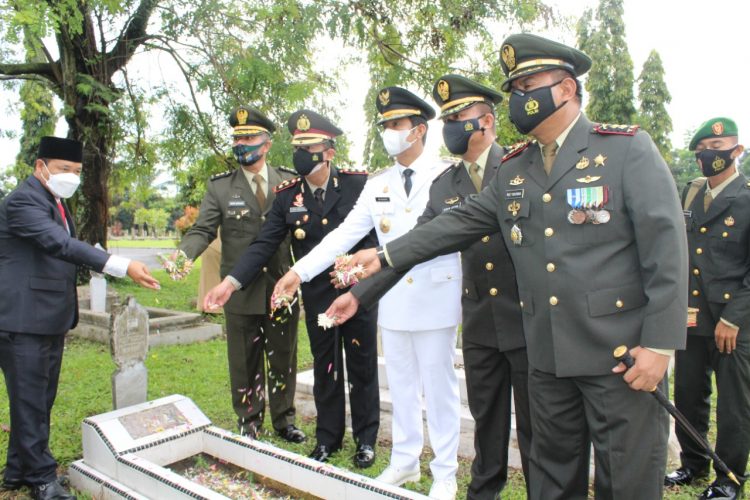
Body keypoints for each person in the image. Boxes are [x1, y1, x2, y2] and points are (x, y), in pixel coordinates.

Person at [329, 33, 688, 500]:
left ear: (565, 89)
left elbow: (667, 251)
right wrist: (381, 255)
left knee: (627, 480)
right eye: (514, 88)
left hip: (617, 357)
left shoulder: (625, 150)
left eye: (527, 85)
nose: (519, 97)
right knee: (553, 478)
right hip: (547, 357)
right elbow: (456, 224)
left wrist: (659, 345)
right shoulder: (516, 169)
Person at [345, 75, 531, 499]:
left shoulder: (520, 167)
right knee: (487, 419)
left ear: (486, 121)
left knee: (536, 425)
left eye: (457, 117)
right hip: (480, 317)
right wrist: (360, 292)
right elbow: (419, 241)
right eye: (446, 117)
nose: (450, 126)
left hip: (525, 314)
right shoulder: (446, 184)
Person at [273, 87, 463, 499]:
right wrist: (298, 272)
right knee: (402, 384)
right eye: (385, 126)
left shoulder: (448, 175)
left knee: (439, 386)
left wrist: (375, 255)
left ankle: (444, 472)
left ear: (419, 130)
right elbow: (343, 236)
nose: (389, 133)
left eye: (396, 125)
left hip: (434, 295)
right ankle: (405, 461)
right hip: (391, 299)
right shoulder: (379, 182)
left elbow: (430, 236)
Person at [202, 110, 380, 468]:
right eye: (297, 146)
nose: (301, 154)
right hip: (316, 295)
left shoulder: (359, 185)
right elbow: (263, 246)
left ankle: (365, 439)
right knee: (325, 368)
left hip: (358, 292)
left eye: (309, 146)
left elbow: (376, 237)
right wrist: (230, 283)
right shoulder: (287, 197)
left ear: (329, 151)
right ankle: (328, 439)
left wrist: (364, 271)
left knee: (361, 365)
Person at [0, 136, 160, 500]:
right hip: (22, 320)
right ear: (40, 167)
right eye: (63, 170)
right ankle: (42, 480)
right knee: (29, 400)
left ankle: (17, 471)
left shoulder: (54, 201)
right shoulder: (24, 201)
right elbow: (61, 245)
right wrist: (121, 265)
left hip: (47, 318)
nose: (70, 177)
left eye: (76, 171)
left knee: (38, 399)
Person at [177, 106, 304, 443]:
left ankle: (284, 419)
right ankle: (249, 419)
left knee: (283, 357)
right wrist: (182, 257)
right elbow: (202, 230)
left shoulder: (289, 181)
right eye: (236, 138)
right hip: (238, 290)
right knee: (244, 360)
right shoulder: (221, 188)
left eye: (248, 137)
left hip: (281, 287)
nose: (241, 143)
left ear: (266, 143)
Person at [664, 117, 748, 500]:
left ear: (737, 152)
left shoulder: (746, 198)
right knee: (687, 394)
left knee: (733, 405)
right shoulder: (692, 192)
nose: (709, 156)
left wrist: (734, 318)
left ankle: (728, 479)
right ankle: (693, 465)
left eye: (718, 149)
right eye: (702, 151)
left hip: (734, 321)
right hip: (692, 315)